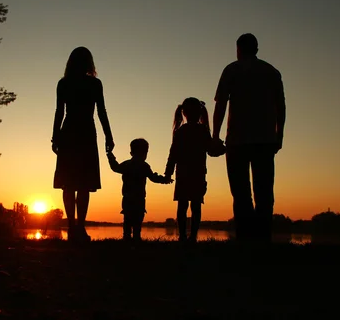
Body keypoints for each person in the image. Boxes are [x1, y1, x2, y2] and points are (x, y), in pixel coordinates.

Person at [212, 33, 286, 244]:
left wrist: (215, 136)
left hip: (237, 141)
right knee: (264, 193)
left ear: (238, 49)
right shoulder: (271, 72)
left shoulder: (231, 70)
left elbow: (220, 105)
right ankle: (262, 239)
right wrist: (279, 135)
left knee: (241, 193)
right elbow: (281, 107)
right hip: (264, 140)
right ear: (256, 49)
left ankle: (245, 239)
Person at [52, 46, 115, 243]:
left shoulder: (66, 83)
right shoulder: (92, 84)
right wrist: (109, 136)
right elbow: (101, 112)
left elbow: (59, 113)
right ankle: (77, 227)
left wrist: (55, 136)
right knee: (80, 184)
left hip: (73, 131)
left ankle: (74, 226)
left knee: (72, 184)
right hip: (83, 132)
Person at [164, 97, 212, 243]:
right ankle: (192, 237)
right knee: (196, 205)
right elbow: (210, 149)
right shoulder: (203, 130)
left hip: (183, 174)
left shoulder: (180, 131)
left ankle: (183, 237)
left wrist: (168, 173)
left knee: (182, 205)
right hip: (197, 173)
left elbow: (173, 154)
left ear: (184, 113)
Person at [107, 139, 172, 241]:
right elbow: (153, 178)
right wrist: (164, 180)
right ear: (145, 153)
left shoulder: (127, 164)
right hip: (139, 198)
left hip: (127, 198)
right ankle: (136, 237)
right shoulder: (144, 166)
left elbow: (115, 167)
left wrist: (110, 156)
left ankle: (127, 237)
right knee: (137, 219)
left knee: (127, 219)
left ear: (131, 152)